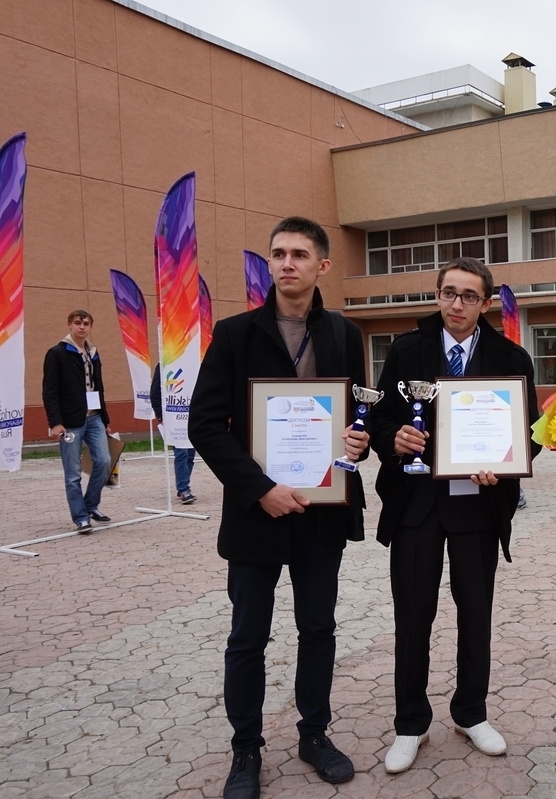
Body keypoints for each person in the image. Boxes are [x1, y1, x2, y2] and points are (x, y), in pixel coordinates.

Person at [188, 217, 368, 799]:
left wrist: (358, 444)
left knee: (318, 629)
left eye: (298, 254)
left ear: (322, 266)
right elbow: (205, 425)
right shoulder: (236, 333)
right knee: (248, 637)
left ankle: (314, 734)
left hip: (322, 511)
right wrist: (258, 488)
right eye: (277, 254)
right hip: (256, 513)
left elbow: (354, 418)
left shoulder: (345, 333)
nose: (285, 263)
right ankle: (246, 750)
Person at [368, 257, 540, 774]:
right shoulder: (406, 350)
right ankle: (410, 723)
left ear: (486, 302)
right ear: (438, 296)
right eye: (448, 293)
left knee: (475, 614)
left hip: (477, 506)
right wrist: (392, 440)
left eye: (469, 295)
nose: (457, 304)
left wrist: (504, 468)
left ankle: (471, 711)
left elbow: (527, 430)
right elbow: (378, 416)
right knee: (412, 616)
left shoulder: (511, 357)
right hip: (416, 506)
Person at [42, 309, 112, 534]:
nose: (82, 327)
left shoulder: (93, 352)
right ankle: (81, 518)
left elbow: (99, 388)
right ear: (69, 325)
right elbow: (49, 390)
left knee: (103, 462)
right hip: (71, 422)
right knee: (72, 473)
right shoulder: (58, 353)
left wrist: (105, 418)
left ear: (91, 326)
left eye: (86, 323)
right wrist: (55, 422)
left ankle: (90, 506)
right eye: (77, 323)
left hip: (94, 419)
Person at [151, 364, 196, 504]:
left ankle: (182, 485)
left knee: (190, 454)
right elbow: (155, 393)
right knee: (181, 453)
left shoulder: (193, 361)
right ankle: (183, 489)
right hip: (174, 418)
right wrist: (161, 416)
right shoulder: (165, 364)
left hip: (191, 417)